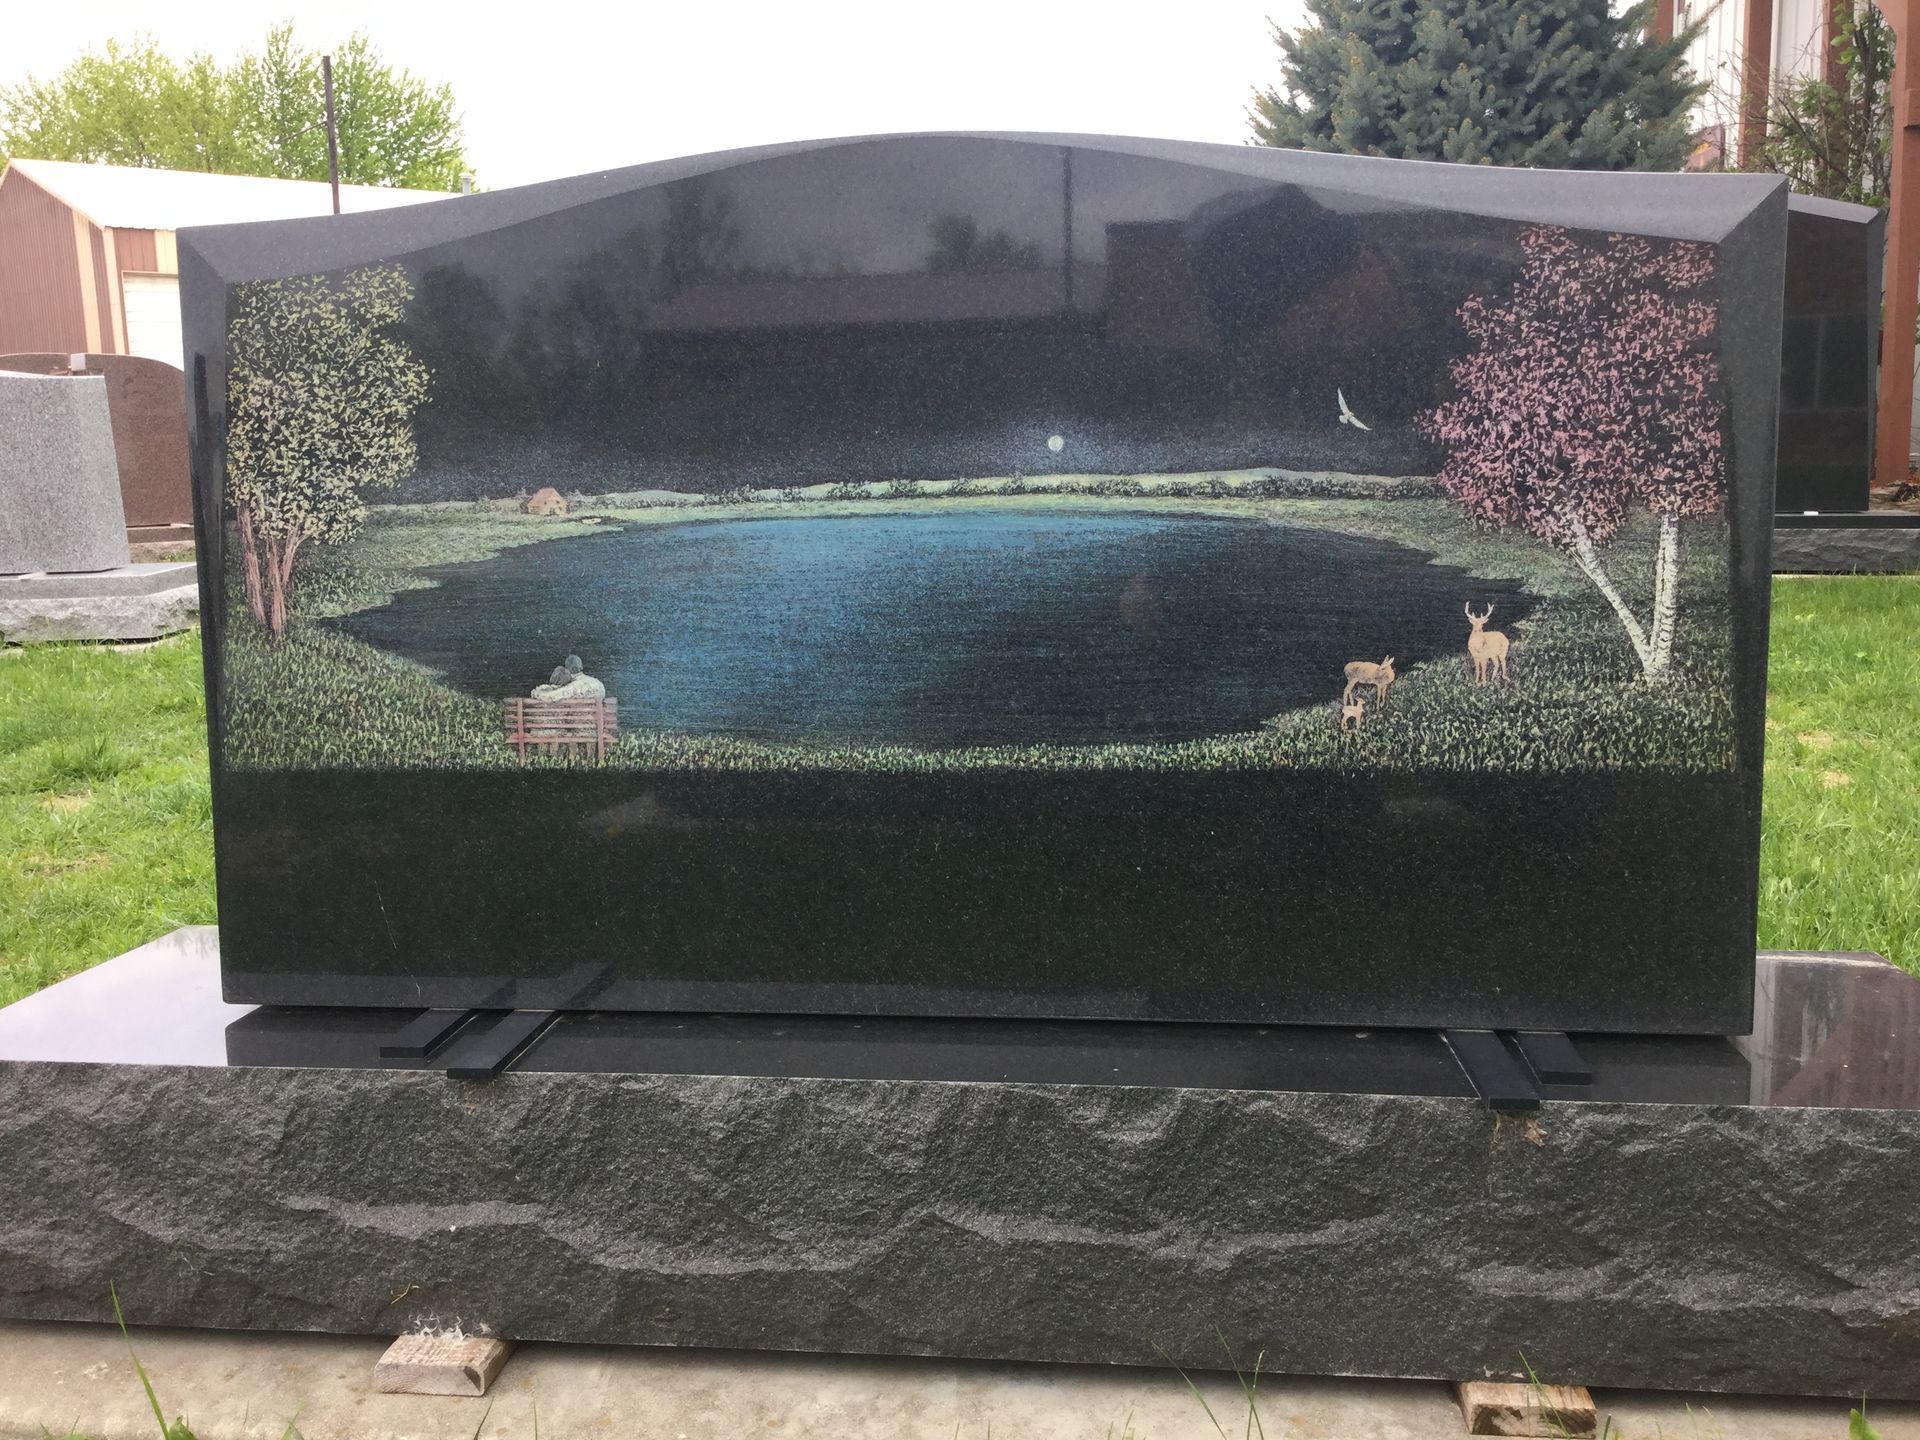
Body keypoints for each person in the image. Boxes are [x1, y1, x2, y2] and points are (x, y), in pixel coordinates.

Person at [532, 655, 607, 701]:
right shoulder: (597, 683)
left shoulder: (572, 687)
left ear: (567, 668)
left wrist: (536, 693)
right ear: (581, 667)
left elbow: (551, 697)